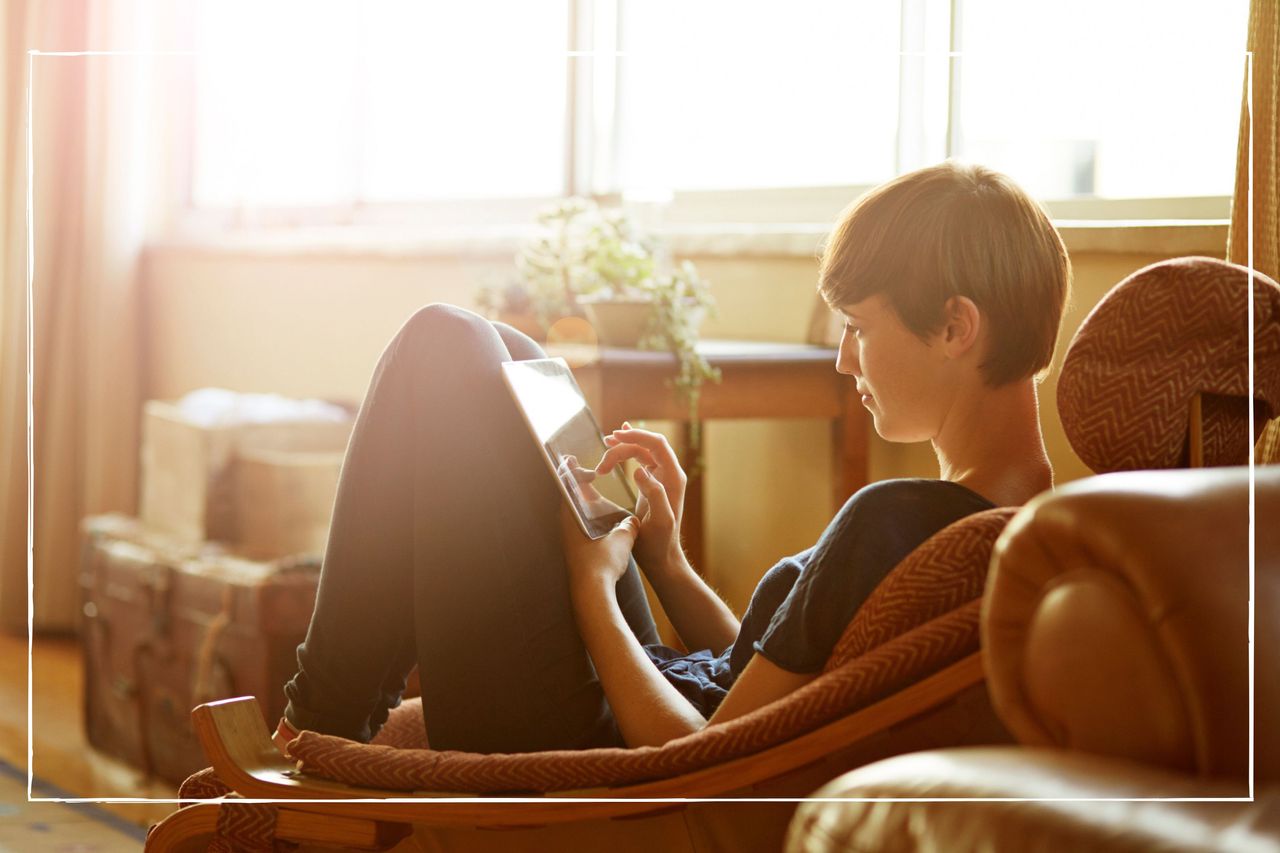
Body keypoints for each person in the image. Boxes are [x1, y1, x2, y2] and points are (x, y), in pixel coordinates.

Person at [276, 160, 1071, 754]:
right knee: (512, 356)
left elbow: (699, 752)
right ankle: (327, 715)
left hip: (600, 747)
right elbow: (764, 689)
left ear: (955, 328)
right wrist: (666, 561)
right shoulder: (1004, 523)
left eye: (859, 327)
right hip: (646, 692)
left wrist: (593, 584)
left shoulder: (902, 522)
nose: (845, 361)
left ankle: (315, 726)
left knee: (442, 346)